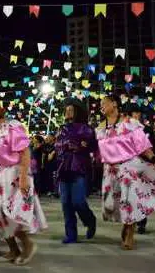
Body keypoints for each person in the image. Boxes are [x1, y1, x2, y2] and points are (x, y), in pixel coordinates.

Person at [0, 94, 47, 265]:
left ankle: (28, 245)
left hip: (14, 174)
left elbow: (25, 152)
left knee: (12, 213)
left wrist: (23, 177)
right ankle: (13, 250)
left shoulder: (12, 126)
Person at [97, 94, 155, 250]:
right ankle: (126, 223)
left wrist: (154, 159)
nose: (101, 106)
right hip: (110, 170)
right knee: (111, 205)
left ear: (114, 104)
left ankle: (130, 231)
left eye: (104, 103)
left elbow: (143, 145)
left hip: (129, 166)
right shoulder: (101, 127)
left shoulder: (129, 123)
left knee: (129, 200)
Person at [55, 98, 97, 244]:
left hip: (79, 168)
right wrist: (65, 144)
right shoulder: (61, 128)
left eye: (71, 109)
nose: (67, 111)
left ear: (78, 112)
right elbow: (58, 145)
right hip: (63, 168)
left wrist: (81, 146)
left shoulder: (87, 128)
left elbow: (92, 146)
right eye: (66, 109)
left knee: (78, 201)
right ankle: (71, 234)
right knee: (66, 203)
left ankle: (90, 220)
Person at [126, 102, 155, 235]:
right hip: (128, 166)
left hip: (143, 166)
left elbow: (154, 147)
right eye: (133, 113)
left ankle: (141, 222)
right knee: (129, 195)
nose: (135, 116)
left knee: (141, 195)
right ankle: (131, 221)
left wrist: (153, 159)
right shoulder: (124, 130)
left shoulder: (147, 130)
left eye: (137, 113)